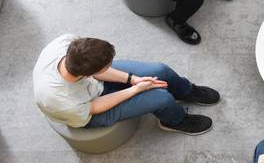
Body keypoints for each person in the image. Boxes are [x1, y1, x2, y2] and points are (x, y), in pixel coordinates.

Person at [33, 35, 218, 134]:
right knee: (161, 98)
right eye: (107, 65)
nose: (111, 65)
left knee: (160, 70)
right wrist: (135, 89)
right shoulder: (62, 100)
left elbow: (101, 72)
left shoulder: (66, 44)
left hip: (91, 85)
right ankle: (175, 121)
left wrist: (133, 79)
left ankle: (186, 91)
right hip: (88, 112)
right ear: (90, 74)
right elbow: (94, 107)